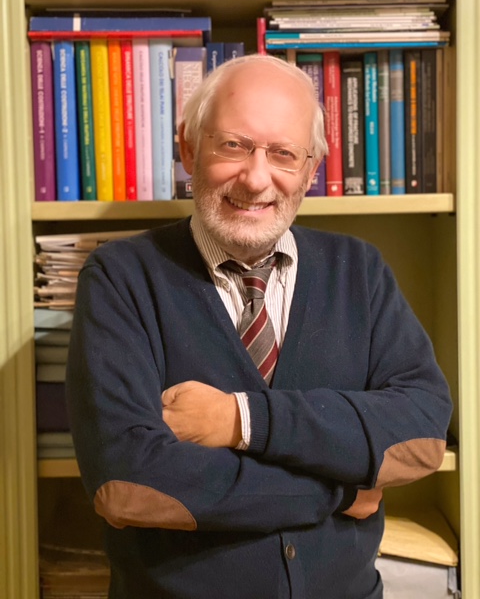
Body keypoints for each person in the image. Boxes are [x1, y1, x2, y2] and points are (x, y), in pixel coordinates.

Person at [66, 54, 452, 599]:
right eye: (233, 145)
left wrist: (241, 419)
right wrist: (338, 492)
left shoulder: (360, 270)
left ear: (311, 171)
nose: (255, 178)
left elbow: (421, 434)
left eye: (283, 154)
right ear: (188, 150)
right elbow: (127, 483)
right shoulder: (120, 278)